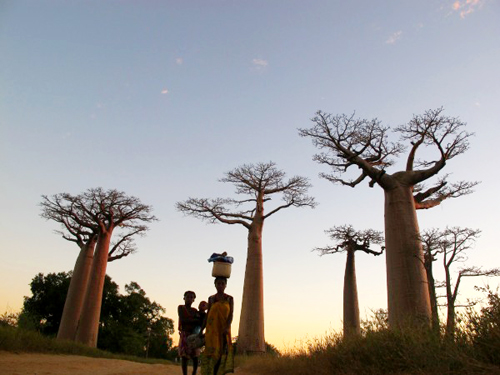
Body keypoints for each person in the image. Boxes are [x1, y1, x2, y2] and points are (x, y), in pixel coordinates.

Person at [200, 277, 234, 375]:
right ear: (215, 284)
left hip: (223, 329)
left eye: (222, 283)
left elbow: (231, 314)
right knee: (212, 353)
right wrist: (201, 330)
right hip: (212, 330)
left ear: (225, 285)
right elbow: (208, 314)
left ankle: (217, 373)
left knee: (221, 353)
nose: (220, 285)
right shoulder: (211, 299)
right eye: (218, 283)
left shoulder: (229, 298)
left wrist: (227, 327)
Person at [178, 291, 201, 375]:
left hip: (193, 335)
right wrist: (194, 320)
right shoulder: (181, 308)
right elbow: (183, 320)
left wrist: (192, 321)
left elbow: (199, 321)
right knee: (184, 356)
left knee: (195, 356)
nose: (189, 299)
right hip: (185, 334)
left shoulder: (195, 310)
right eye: (188, 297)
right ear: (184, 298)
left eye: (191, 297)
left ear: (194, 300)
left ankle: (194, 372)